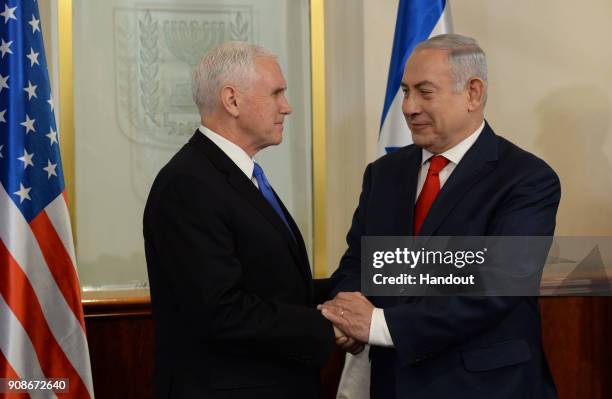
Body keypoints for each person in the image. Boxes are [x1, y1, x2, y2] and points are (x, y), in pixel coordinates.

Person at [320, 34, 560, 398]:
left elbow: (495, 287)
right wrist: (346, 313)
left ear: (473, 93)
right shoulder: (383, 174)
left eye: (425, 92)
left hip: (484, 386)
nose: (408, 107)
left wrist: (380, 325)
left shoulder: (527, 179)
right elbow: (358, 262)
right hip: (392, 382)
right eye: (404, 91)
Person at [143, 42, 359, 399]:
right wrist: (327, 326)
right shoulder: (188, 184)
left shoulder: (234, 175)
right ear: (232, 100)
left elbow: (276, 286)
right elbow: (220, 311)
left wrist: (347, 293)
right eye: (276, 93)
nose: (286, 107)